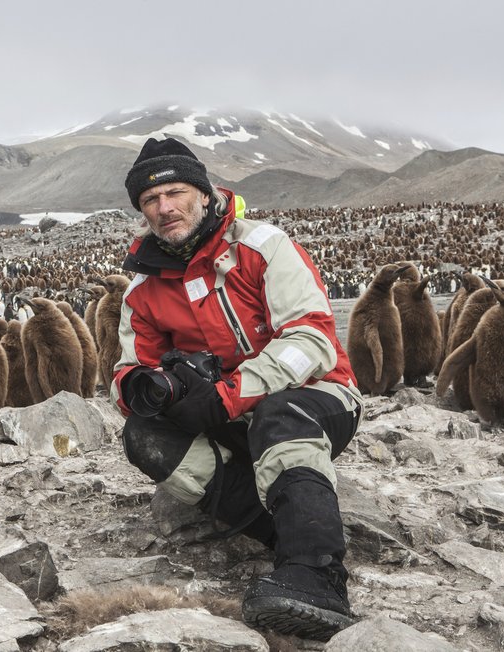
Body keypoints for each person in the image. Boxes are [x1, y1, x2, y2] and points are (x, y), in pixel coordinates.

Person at [111, 137, 364, 640]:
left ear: (203, 193)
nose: (164, 208)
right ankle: (279, 532)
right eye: (150, 201)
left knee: (280, 415)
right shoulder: (144, 290)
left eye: (175, 192)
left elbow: (312, 337)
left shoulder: (262, 246)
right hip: (225, 416)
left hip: (318, 396)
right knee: (146, 439)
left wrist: (230, 393)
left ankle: (318, 573)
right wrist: (148, 387)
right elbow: (127, 372)